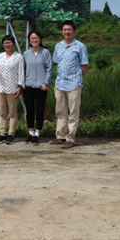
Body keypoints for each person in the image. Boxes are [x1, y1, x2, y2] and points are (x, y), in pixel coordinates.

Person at [50, 20, 89, 149]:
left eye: (69, 29)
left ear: (74, 31)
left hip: (74, 84)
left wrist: (78, 78)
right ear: (62, 32)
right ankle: (60, 136)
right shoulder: (58, 46)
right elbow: (57, 62)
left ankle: (70, 138)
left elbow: (85, 65)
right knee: (60, 111)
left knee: (73, 111)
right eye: (65, 30)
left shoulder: (80, 46)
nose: (67, 32)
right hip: (60, 82)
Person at [0, 35, 24, 145]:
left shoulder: (18, 57)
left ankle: (11, 134)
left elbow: (21, 73)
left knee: (12, 112)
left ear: (13, 44)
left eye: (9, 42)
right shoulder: (0, 56)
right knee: (2, 112)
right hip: (1, 88)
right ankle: (2, 134)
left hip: (13, 88)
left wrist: (20, 87)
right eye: (5, 42)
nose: (7, 44)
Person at [22, 30, 52, 145]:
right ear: (29, 40)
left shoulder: (45, 52)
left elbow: (49, 69)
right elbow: (23, 70)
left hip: (41, 87)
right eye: (32, 38)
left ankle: (37, 134)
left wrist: (46, 83)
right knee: (29, 110)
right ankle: (30, 133)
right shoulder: (26, 54)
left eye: (36, 38)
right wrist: (22, 84)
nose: (34, 40)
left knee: (40, 110)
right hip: (28, 86)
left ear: (40, 39)